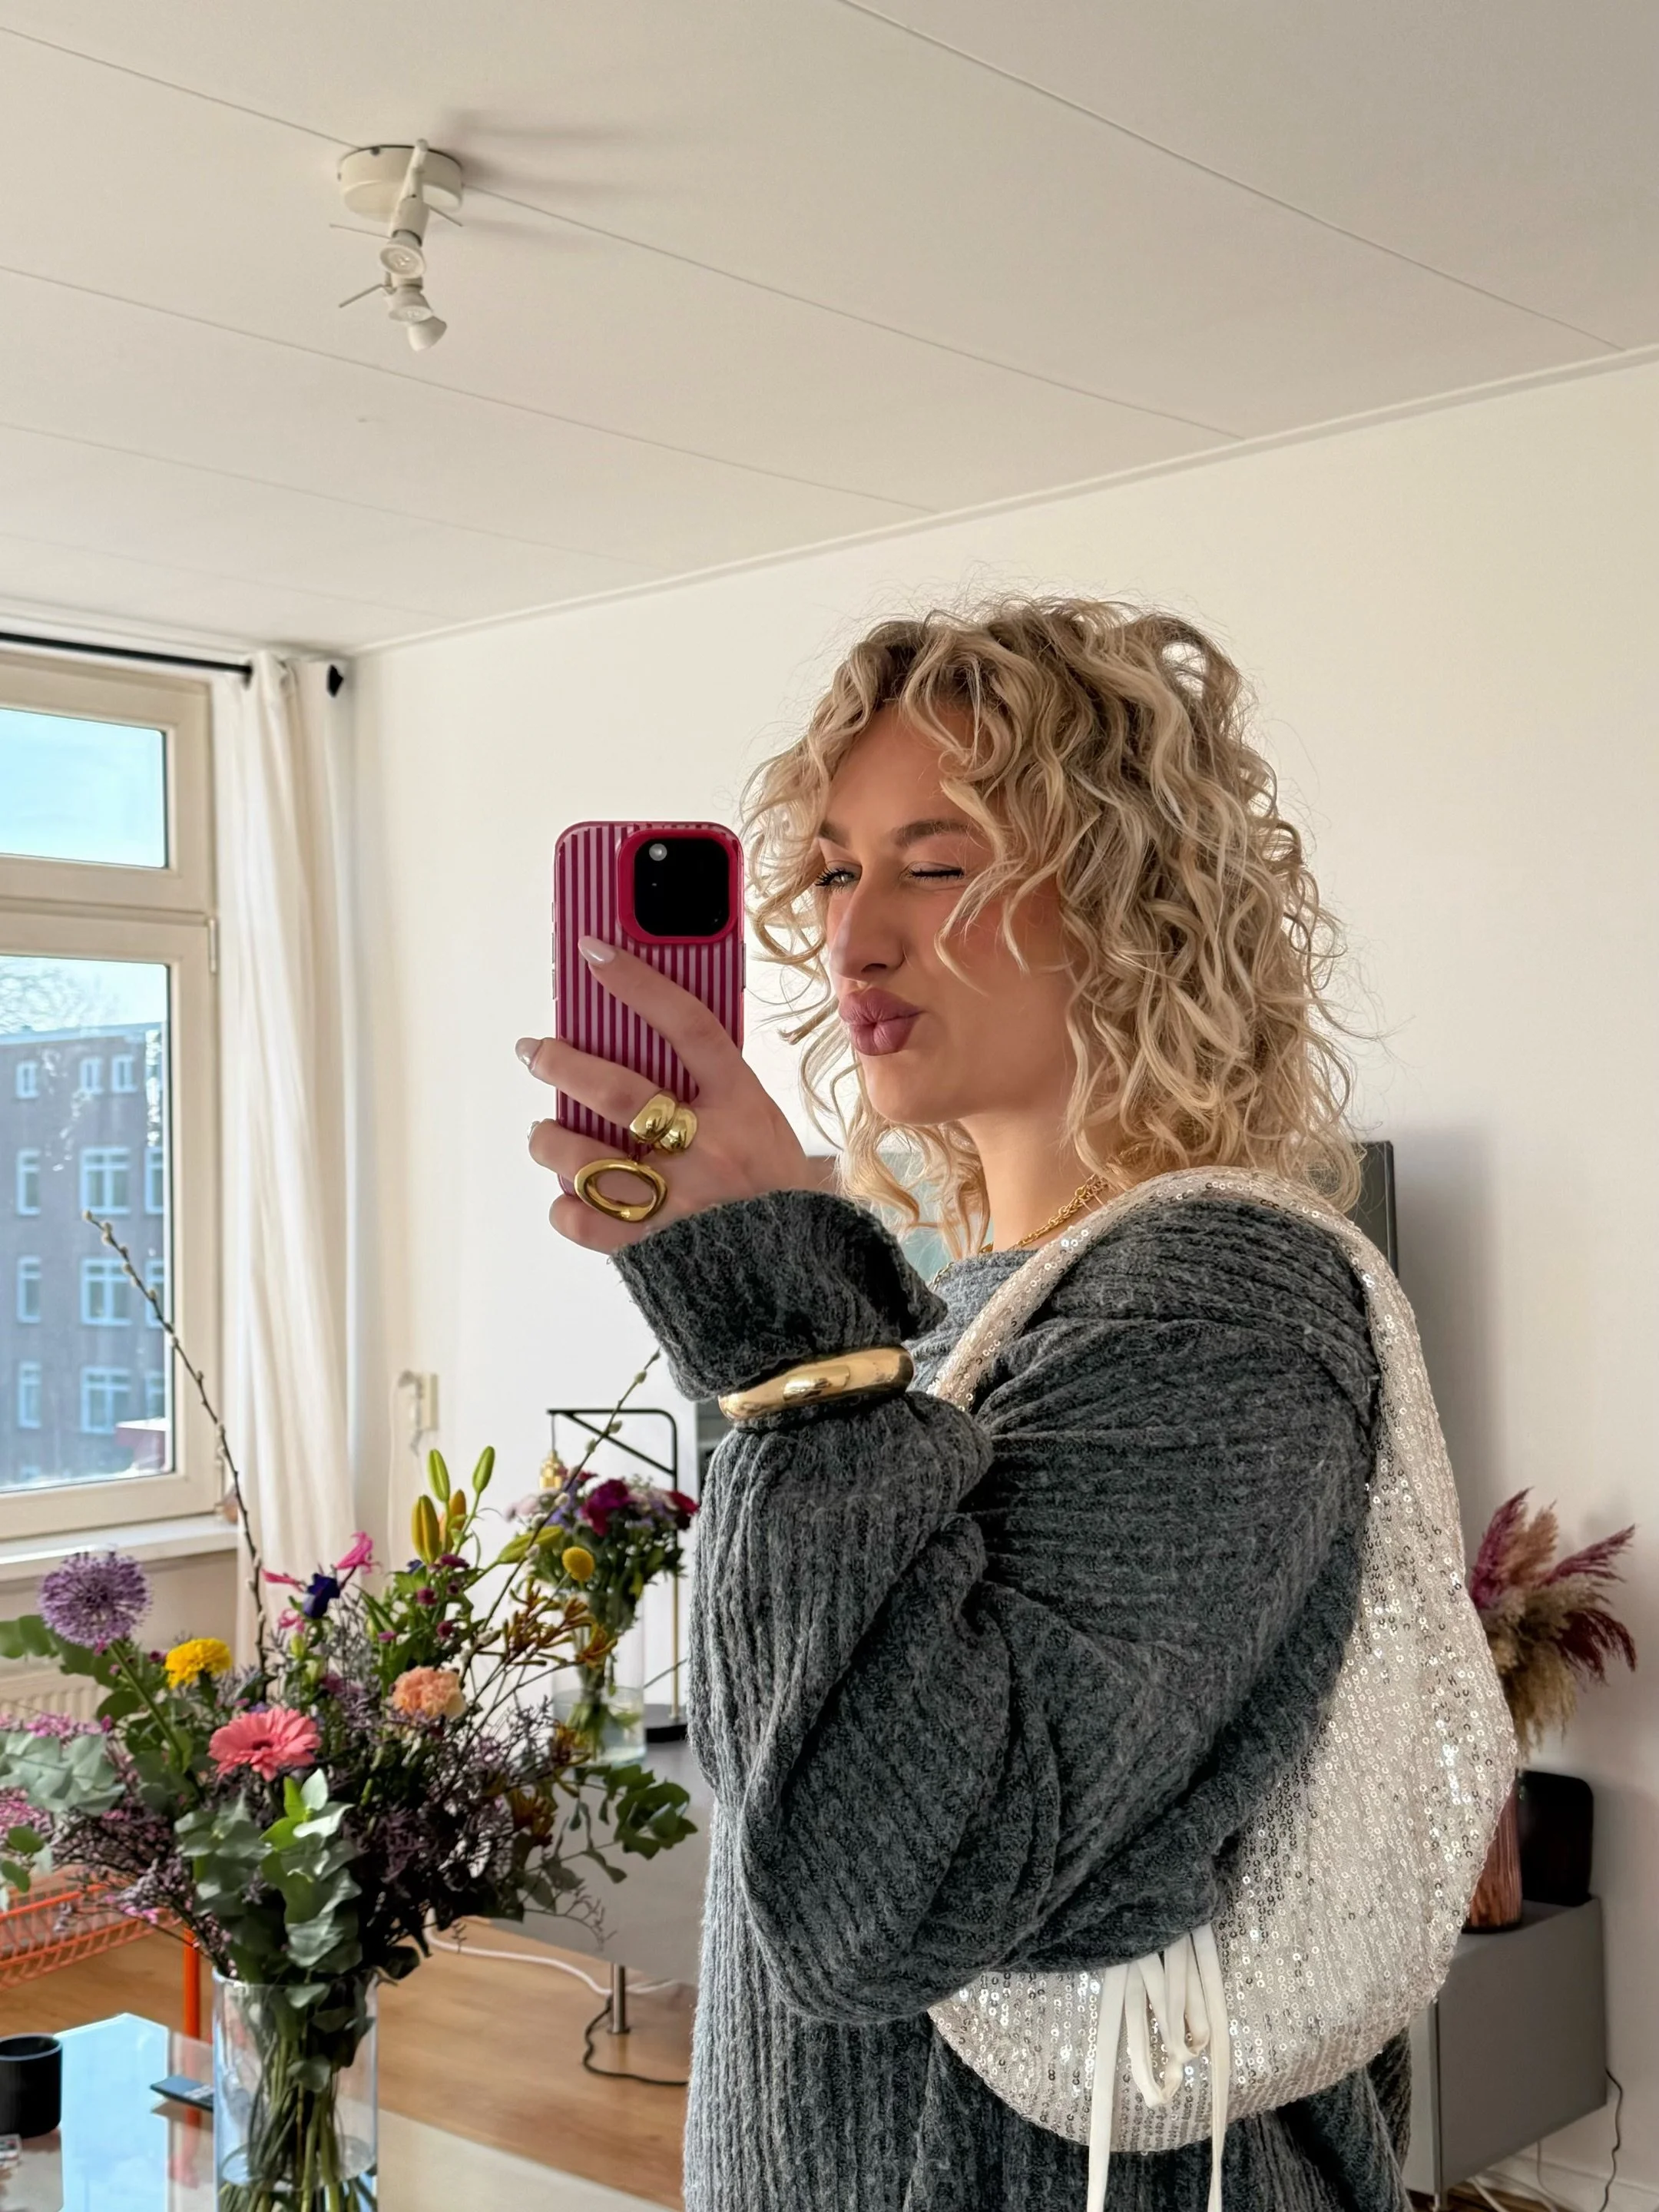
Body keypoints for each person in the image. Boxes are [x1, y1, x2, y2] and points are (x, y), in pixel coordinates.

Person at [518, 598, 1406, 2211]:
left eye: (938, 865)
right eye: (840, 869)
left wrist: (783, 1330)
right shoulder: (938, 1324)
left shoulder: (1222, 1302)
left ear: (1135, 902)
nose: (856, 939)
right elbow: (786, 1782)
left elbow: (871, 1896)